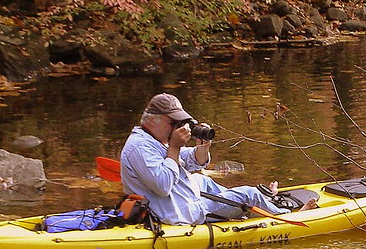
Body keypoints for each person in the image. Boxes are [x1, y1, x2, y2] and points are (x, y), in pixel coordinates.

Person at [120, 93, 314, 225]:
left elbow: (181, 160)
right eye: (174, 122)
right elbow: (162, 185)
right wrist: (174, 146)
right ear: (156, 120)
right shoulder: (140, 147)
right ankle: (287, 217)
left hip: (180, 200)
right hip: (175, 213)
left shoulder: (153, 139)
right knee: (247, 194)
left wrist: (202, 147)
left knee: (202, 179)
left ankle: (249, 203)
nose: (179, 127)